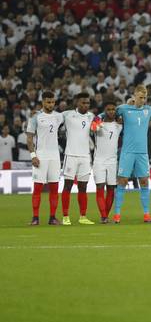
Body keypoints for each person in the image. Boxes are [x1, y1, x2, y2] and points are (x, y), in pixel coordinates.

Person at [113, 85, 151, 224]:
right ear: (134, 96)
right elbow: (112, 113)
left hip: (142, 153)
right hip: (127, 152)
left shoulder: (148, 110)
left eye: (145, 97)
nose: (143, 100)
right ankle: (117, 214)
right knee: (122, 181)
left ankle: (146, 214)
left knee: (144, 181)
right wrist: (126, 103)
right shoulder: (124, 109)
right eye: (140, 97)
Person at [26, 92, 64, 225]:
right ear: (43, 102)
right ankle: (35, 218)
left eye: (53, 102)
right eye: (48, 102)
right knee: (37, 188)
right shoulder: (35, 117)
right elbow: (29, 137)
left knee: (54, 188)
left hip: (55, 157)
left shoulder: (59, 116)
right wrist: (33, 155)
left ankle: (52, 218)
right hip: (41, 156)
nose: (50, 104)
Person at [60, 93, 96, 225]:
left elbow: (100, 123)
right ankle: (65, 216)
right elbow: (52, 117)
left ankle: (83, 216)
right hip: (71, 155)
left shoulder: (91, 116)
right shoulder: (67, 115)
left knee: (83, 187)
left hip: (85, 156)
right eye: (83, 103)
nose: (86, 105)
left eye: (87, 103)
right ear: (77, 103)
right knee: (68, 186)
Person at [91, 103, 122, 224]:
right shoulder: (98, 125)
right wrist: (101, 115)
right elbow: (93, 127)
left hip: (113, 162)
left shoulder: (119, 126)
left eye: (113, 109)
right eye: (108, 109)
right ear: (104, 111)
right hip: (99, 161)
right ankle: (103, 216)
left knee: (111, 189)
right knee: (100, 187)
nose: (111, 111)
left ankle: (105, 216)